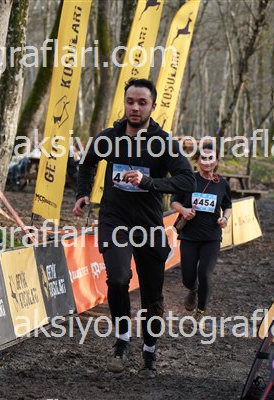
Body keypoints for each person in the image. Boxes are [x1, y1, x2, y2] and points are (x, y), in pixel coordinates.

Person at [73, 78, 195, 378]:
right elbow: (87, 163)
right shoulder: (109, 137)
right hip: (114, 219)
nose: (135, 108)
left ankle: (149, 351)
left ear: (153, 106)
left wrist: (149, 182)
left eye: (142, 102)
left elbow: (187, 180)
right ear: (124, 103)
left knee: (152, 294)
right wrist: (83, 193)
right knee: (117, 279)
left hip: (149, 224)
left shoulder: (163, 143)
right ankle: (122, 341)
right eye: (130, 101)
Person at [170, 143, 232, 319]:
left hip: (211, 237)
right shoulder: (189, 180)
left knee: (205, 273)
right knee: (188, 277)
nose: (207, 162)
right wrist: (183, 211)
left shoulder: (222, 184)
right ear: (197, 160)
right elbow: (174, 202)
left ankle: (201, 312)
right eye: (203, 158)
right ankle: (193, 289)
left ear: (216, 161)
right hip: (189, 236)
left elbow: (228, 205)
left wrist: (225, 219)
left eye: (210, 158)